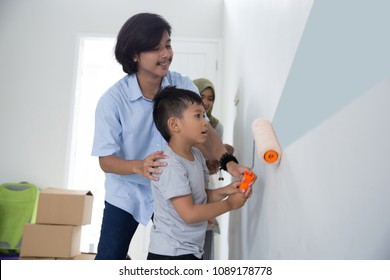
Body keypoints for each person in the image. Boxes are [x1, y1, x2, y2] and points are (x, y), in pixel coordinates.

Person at [92, 13, 253, 260]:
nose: (166, 53)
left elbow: (206, 132)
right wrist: (139, 166)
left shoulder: (182, 85)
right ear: (135, 54)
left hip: (174, 190)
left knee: (177, 255)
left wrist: (229, 163)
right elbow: (106, 161)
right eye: (156, 48)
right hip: (127, 192)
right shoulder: (113, 101)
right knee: (108, 260)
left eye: (167, 44)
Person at [147, 86, 252, 260]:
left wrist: (227, 191)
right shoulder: (170, 164)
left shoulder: (195, 155)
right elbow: (189, 213)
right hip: (170, 254)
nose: (205, 122)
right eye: (198, 116)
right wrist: (229, 204)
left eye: (204, 115)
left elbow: (200, 197)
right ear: (174, 125)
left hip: (190, 249)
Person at [193, 77, 233, 259]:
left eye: (211, 98)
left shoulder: (216, 127)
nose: (206, 102)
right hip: (185, 183)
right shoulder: (180, 123)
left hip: (204, 184)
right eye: (202, 96)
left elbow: (214, 165)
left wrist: (215, 162)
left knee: (205, 242)